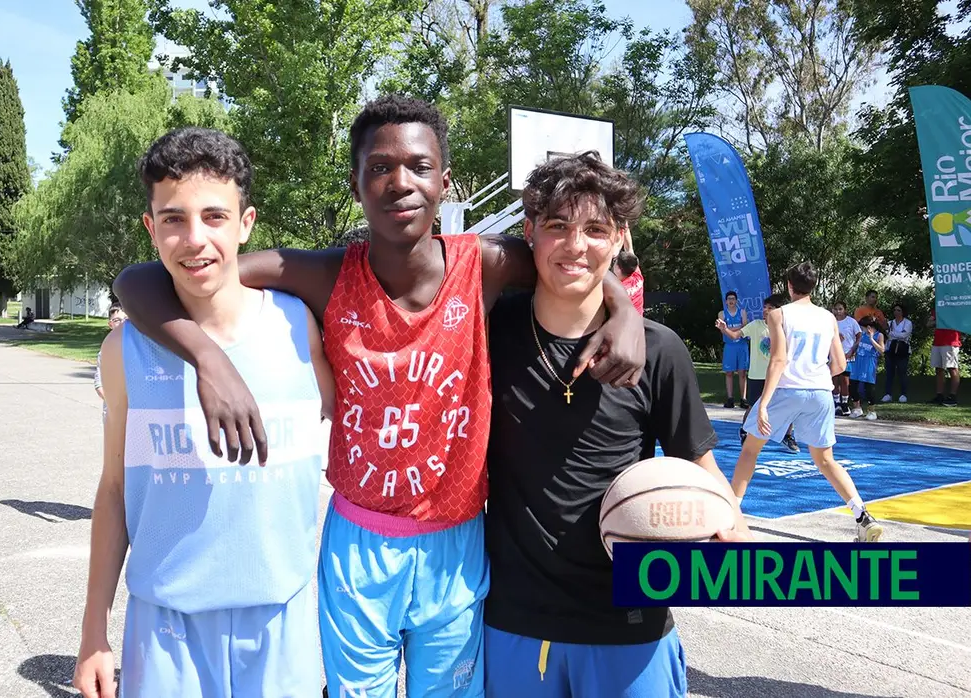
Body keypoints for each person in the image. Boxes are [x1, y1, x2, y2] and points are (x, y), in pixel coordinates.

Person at [111, 95, 646, 697]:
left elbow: (574, 258)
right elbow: (139, 279)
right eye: (380, 167)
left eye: (419, 166)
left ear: (445, 181)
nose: (400, 182)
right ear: (356, 182)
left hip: (457, 539)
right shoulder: (325, 275)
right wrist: (208, 359)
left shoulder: (486, 265)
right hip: (359, 545)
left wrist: (622, 307)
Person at [72, 127, 335, 698]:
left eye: (215, 217)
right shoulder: (124, 350)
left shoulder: (301, 327)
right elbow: (115, 488)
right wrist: (94, 631)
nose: (195, 239)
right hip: (166, 625)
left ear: (246, 223)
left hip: (280, 622)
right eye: (173, 219)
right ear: (151, 228)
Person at [482, 153, 749, 698]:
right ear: (529, 230)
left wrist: (730, 534)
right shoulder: (490, 328)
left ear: (620, 237)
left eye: (595, 229)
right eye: (557, 225)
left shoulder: (659, 349)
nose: (575, 245)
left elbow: (698, 466)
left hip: (629, 621)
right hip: (514, 619)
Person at [733, 262, 884, 542]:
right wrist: (815, 376)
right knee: (826, 460)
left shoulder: (778, 315)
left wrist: (763, 402)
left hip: (788, 389)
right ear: (812, 286)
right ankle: (863, 516)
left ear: (789, 285)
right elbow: (839, 364)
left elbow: (778, 360)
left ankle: (731, 516)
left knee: (750, 449)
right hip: (821, 392)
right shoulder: (828, 318)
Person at [717, 293, 799, 453]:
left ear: (779, 311)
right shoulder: (755, 325)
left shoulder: (786, 328)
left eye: (770, 308)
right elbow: (735, 335)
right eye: (765, 308)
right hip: (757, 376)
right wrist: (724, 329)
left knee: (788, 407)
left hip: (780, 376)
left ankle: (787, 435)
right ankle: (744, 431)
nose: (766, 311)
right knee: (754, 408)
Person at [92, 304, 127, 421]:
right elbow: (99, 383)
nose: (122, 323)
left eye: (126, 319)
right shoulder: (105, 352)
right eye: (117, 320)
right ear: (110, 324)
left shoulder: (139, 350)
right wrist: (113, 403)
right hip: (113, 410)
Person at [716, 291, 749, 408]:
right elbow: (722, 329)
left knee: (742, 373)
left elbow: (745, 326)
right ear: (726, 301)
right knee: (729, 373)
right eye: (729, 299)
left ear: (736, 300)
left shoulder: (742, 312)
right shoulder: (722, 314)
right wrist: (736, 328)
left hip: (741, 345)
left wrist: (729, 329)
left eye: (733, 299)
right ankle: (730, 398)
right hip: (730, 345)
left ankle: (743, 399)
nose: (731, 301)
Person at [849, 316, 885, 420]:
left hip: (869, 362)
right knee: (853, 385)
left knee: (869, 388)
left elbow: (882, 350)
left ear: (868, 327)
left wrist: (871, 338)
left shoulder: (879, 335)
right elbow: (857, 344)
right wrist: (851, 351)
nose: (861, 329)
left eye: (863, 327)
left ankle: (872, 411)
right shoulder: (862, 334)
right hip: (858, 361)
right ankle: (857, 408)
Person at [880, 303, 912, 403]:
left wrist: (891, 333)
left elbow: (905, 335)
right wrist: (892, 334)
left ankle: (903, 394)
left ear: (903, 312)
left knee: (902, 372)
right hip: (890, 350)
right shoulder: (890, 323)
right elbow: (887, 334)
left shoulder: (907, 323)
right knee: (889, 373)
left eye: (898, 310)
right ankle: (888, 394)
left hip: (902, 350)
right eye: (895, 310)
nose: (896, 312)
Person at [928, 309, 960, 407]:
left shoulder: (955, 307)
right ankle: (939, 395)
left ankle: (952, 397)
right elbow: (929, 324)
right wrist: (939, 321)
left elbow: (959, 322)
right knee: (938, 369)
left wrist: (942, 321)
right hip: (937, 342)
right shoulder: (937, 308)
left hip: (951, 342)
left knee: (952, 368)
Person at [833, 301, 860, 416]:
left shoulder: (851, 322)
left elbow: (859, 336)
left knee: (845, 380)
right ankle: (836, 403)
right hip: (834, 354)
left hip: (847, 355)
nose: (838, 311)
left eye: (840, 309)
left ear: (844, 309)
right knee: (835, 380)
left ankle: (844, 404)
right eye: (836, 309)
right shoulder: (831, 321)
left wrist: (852, 350)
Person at [613, 222, 644, 314]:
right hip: (639, 322)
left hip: (624, 326)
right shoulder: (636, 275)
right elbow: (629, 248)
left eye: (615, 262)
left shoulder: (615, 290)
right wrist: (624, 222)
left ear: (618, 269)